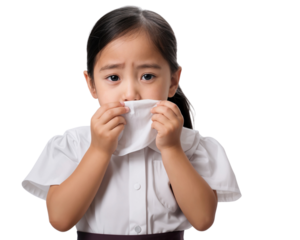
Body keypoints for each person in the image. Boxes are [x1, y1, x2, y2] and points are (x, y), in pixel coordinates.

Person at [19, 4, 243, 239]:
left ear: (173, 82)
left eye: (147, 76)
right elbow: (60, 220)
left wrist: (171, 148)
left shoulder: (192, 145)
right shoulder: (74, 144)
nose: (130, 94)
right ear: (91, 84)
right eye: (113, 77)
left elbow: (203, 220)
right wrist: (98, 149)